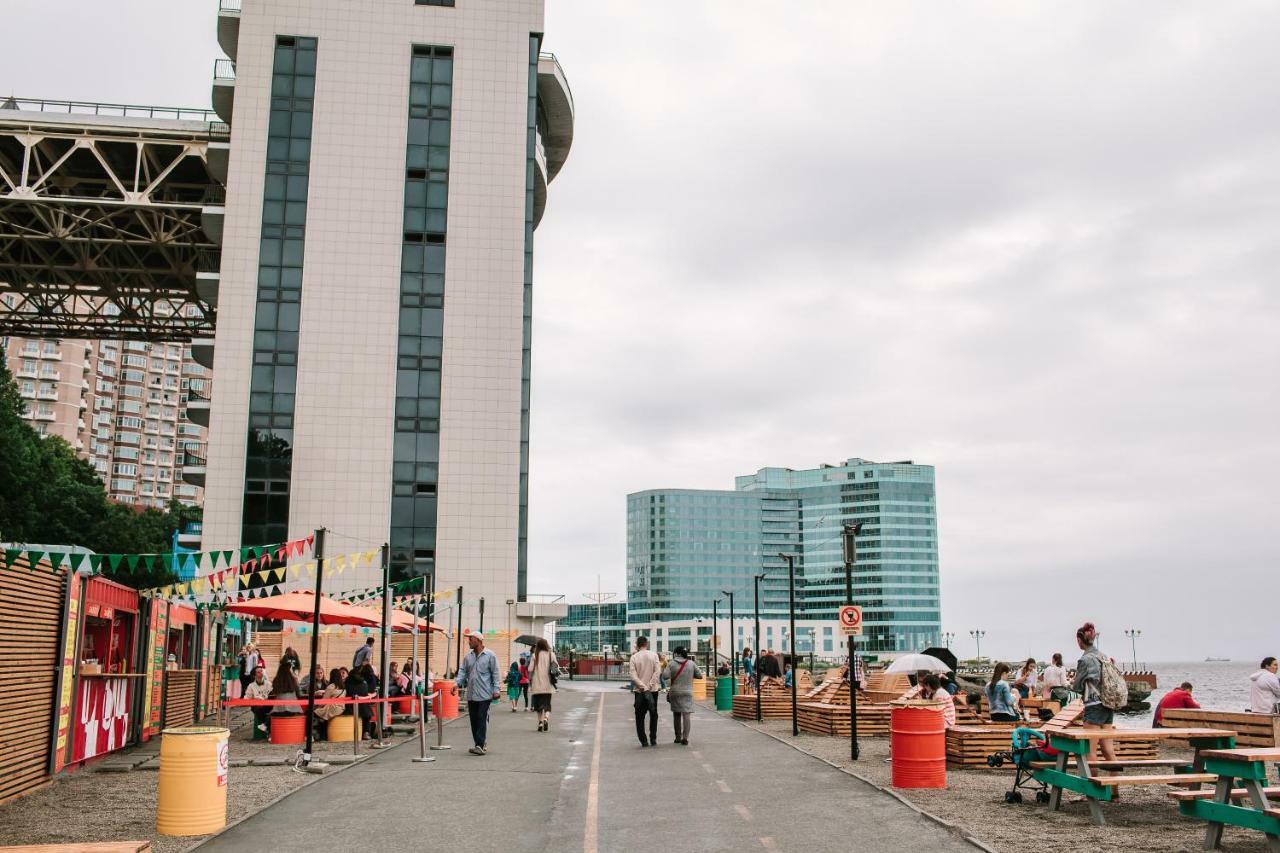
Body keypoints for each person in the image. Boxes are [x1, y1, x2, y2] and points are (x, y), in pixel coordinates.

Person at [1071, 622, 1117, 763]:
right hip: (1108, 704)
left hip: (1093, 706)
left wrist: (1074, 681)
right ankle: (1114, 784)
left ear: (1080, 640)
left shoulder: (1084, 660)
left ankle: (1093, 785)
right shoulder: (1104, 656)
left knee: (1090, 752)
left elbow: (1077, 687)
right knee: (1108, 750)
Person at [454, 633, 502, 755]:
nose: (469, 641)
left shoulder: (490, 655)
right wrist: (456, 684)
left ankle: (479, 745)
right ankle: (479, 744)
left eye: (471, 639)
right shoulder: (467, 657)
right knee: (474, 720)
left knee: (481, 718)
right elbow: (462, 672)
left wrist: (496, 690)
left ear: (479, 640)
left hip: (485, 694)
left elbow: (495, 673)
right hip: (471, 694)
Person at [664, 646, 703, 745]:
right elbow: (700, 675)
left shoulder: (671, 663)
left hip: (675, 692)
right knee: (686, 715)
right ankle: (685, 738)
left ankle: (677, 737)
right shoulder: (691, 663)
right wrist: (689, 674)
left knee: (676, 714)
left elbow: (665, 676)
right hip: (688, 692)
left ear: (677, 653)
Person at [630, 636, 662, 747]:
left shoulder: (634, 657)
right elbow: (657, 672)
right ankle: (653, 738)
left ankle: (643, 741)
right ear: (646, 644)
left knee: (639, 716)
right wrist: (650, 685)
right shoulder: (654, 655)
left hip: (639, 691)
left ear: (638, 645)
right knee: (654, 714)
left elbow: (633, 676)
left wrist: (642, 686)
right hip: (652, 691)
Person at [528, 638, 558, 732]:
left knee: (538, 706)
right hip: (547, 684)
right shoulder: (551, 654)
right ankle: (546, 718)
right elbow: (556, 666)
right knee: (547, 705)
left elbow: (530, 669)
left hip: (537, 685)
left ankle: (540, 722)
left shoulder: (534, 655)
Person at [244, 665, 272, 733]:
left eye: (261, 671)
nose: (261, 673)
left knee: (274, 710)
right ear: (254, 675)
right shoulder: (251, 686)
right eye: (258, 672)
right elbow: (246, 698)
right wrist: (254, 699)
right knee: (259, 709)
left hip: (267, 705)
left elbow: (272, 695)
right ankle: (267, 727)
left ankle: (265, 726)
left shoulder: (269, 684)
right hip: (257, 706)